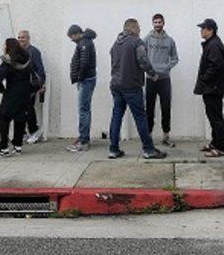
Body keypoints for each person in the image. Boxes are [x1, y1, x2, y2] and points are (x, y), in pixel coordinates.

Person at [108, 18, 167, 160]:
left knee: (116, 116)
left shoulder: (116, 43)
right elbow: (143, 61)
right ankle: (148, 149)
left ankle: (113, 149)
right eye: (138, 27)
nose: (140, 30)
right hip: (131, 85)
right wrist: (153, 74)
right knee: (141, 117)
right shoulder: (136, 42)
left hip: (116, 85)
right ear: (133, 28)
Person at [194, 18, 224, 157]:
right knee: (212, 116)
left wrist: (204, 78)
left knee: (216, 117)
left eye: (203, 28)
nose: (201, 31)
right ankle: (214, 142)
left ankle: (220, 148)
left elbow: (215, 65)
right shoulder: (212, 43)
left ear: (210, 30)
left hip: (214, 87)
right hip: (212, 87)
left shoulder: (214, 45)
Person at [0, 38, 34, 157]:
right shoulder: (27, 58)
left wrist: (3, 91)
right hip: (25, 94)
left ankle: (4, 148)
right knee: (20, 119)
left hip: (11, 93)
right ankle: (17, 146)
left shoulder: (8, 61)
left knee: (4, 119)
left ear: (8, 47)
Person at [144, 14, 179, 147]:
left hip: (164, 79)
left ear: (163, 23)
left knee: (166, 108)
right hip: (150, 79)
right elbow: (141, 57)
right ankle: (148, 137)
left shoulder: (170, 40)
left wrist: (165, 68)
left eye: (159, 22)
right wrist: (150, 71)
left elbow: (175, 58)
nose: (157, 24)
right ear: (152, 24)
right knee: (149, 109)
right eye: (155, 22)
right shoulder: (147, 39)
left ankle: (166, 136)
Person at [65, 25, 98, 152]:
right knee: (85, 109)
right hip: (87, 79)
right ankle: (83, 137)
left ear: (77, 34)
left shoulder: (84, 43)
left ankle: (84, 140)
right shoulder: (85, 42)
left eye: (72, 37)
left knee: (84, 110)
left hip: (86, 80)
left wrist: (79, 77)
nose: (71, 39)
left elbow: (84, 63)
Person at [18, 30, 47, 144]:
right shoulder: (18, 52)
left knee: (29, 108)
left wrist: (42, 84)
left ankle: (34, 131)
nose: (21, 39)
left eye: (23, 37)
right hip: (19, 85)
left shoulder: (34, 51)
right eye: (19, 37)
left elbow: (40, 68)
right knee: (20, 109)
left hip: (30, 85)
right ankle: (23, 133)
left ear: (28, 38)